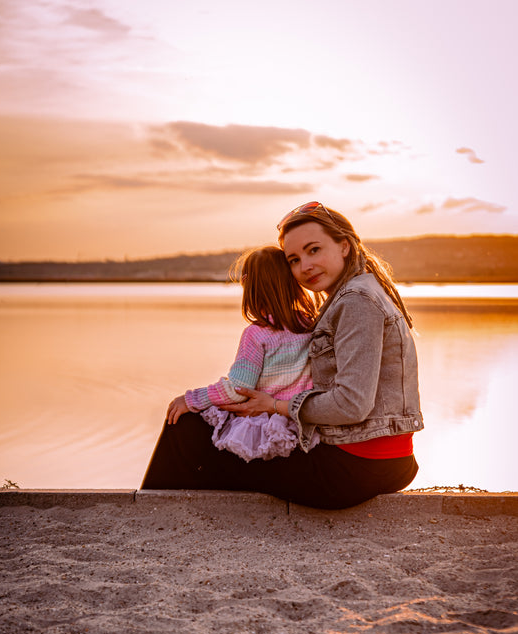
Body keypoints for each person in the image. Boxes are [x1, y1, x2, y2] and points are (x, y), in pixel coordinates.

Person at [141, 202, 423, 509]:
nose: (305, 266)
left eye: (314, 250)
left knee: (186, 429)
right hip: (371, 458)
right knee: (220, 442)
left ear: (344, 246)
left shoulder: (356, 302)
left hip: (355, 468)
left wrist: (276, 406)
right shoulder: (354, 294)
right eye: (294, 259)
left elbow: (352, 404)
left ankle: (145, 515)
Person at [164, 245, 320, 462]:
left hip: (265, 429)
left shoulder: (257, 334)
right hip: (300, 425)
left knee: (185, 423)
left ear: (247, 284)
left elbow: (238, 389)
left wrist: (191, 399)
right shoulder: (310, 325)